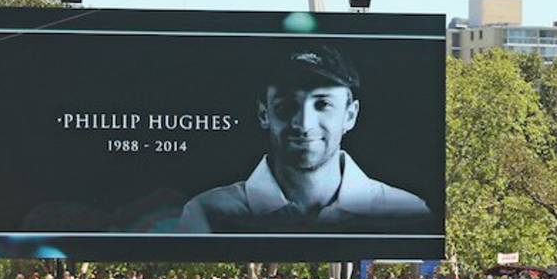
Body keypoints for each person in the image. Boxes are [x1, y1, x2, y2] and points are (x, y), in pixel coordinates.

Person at [178, 45, 432, 231]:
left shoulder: (406, 210)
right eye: (287, 105)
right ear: (264, 114)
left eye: (322, 104)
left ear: (350, 115)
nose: (303, 124)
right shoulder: (207, 212)